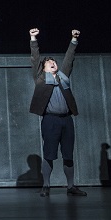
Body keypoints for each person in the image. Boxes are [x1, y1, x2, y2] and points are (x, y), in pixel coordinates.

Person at [28, 28, 87, 197]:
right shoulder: (40, 78)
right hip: (50, 120)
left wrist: (73, 40)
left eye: (54, 61)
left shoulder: (63, 77)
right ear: (44, 68)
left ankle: (71, 186)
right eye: (49, 62)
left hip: (66, 120)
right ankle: (46, 186)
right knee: (49, 154)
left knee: (68, 154)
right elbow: (35, 59)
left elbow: (69, 58)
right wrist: (33, 39)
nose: (53, 63)